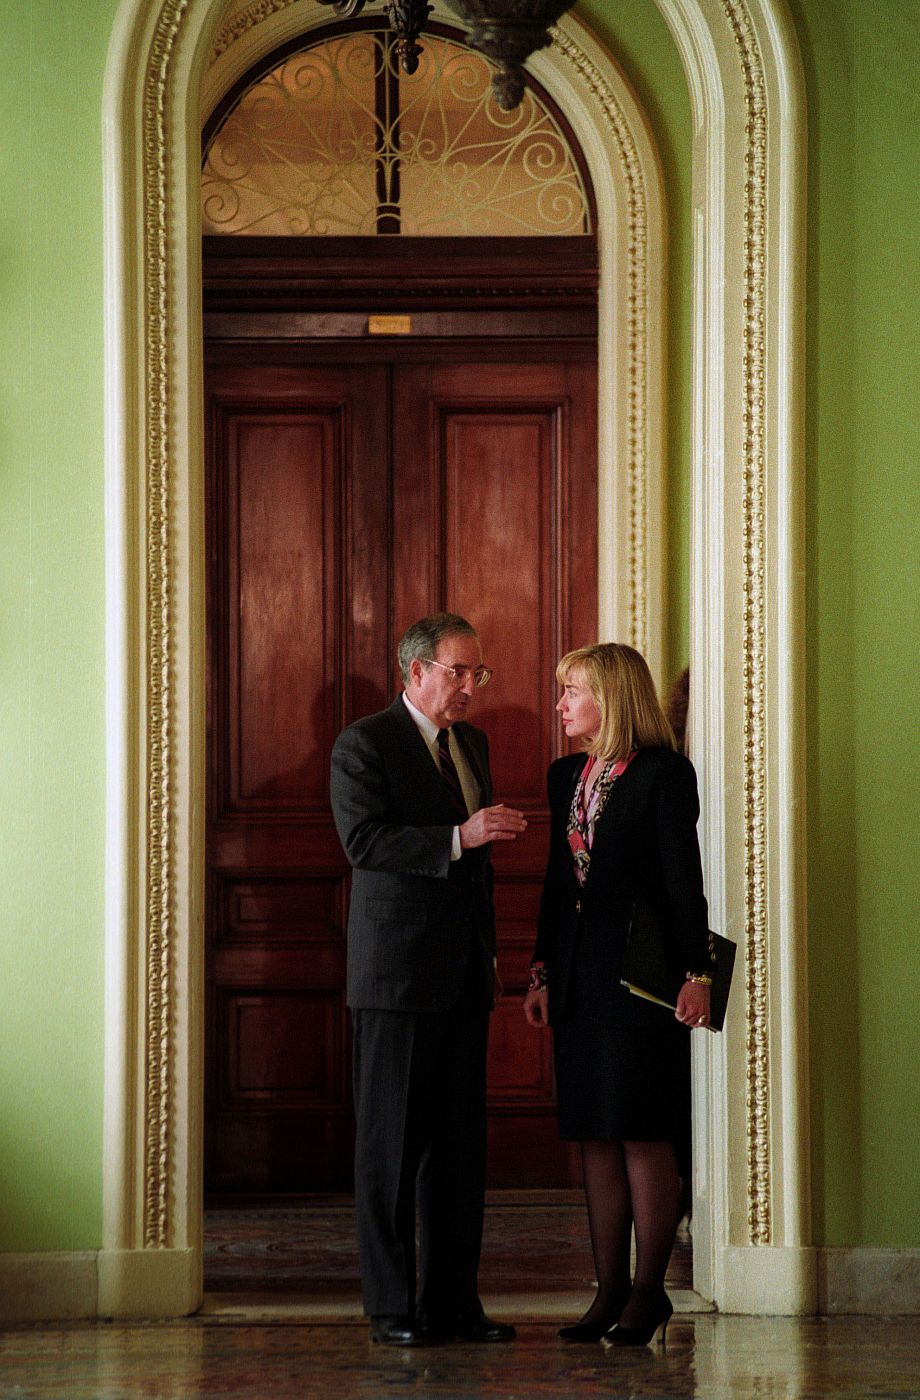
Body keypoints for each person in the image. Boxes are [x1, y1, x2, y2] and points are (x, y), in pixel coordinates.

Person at [331, 612, 527, 1347]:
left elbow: (477, 874)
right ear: (415, 673)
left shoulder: (469, 744)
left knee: (457, 1151)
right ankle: (391, 1309)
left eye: (479, 673)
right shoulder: (365, 743)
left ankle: (453, 1303)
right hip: (394, 980)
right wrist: (459, 835)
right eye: (458, 671)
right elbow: (363, 841)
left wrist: (494, 959)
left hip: (463, 978)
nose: (471, 686)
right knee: (391, 1147)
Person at [523, 643, 713, 1347]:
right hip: (577, 979)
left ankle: (647, 1291)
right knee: (594, 1135)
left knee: (641, 1130)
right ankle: (606, 1292)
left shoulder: (664, 775)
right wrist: (540, 972)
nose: (562, 704)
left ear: (612, 697)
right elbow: (554, 882)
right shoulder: (563, 774)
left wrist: (697, 974)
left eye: (573, 690)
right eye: (562, 690)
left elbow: (680, 880)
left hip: (640, 979)